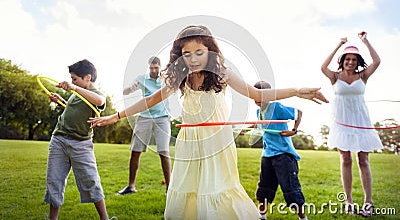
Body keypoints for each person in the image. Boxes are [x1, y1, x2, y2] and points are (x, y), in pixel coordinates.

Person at [89, 25, 328, 220]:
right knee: (189, 191)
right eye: (186, 54)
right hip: (190, 142)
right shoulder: (180, 77)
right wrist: (116, 115)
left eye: (199, 52)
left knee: (214, 190)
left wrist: (297, 90)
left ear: (210, 51)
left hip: (217, 142)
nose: (193, 59)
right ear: (179, 56)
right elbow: (152, 98)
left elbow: (258, 95)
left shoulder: (221, 73)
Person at [321, 32, 383, 217]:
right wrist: (339, 44)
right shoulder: (334, 77)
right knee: (345, 160)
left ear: (358, 62)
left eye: (354, 59)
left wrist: (365, 41)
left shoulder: (363, 76)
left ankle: (368, 203)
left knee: (363, 160)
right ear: (342, 61)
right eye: (347, 59)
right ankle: (349, 202)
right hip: (342, 124)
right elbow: (323, 66)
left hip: (361, 122)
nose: (350, 62)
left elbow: (377, 61)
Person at [43, 59, 114, 220]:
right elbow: (73, 108)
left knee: (91, 180)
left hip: (81, 144)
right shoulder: (76, 94)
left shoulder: (97, 94)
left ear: (87, 77)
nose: (72, 82)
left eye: (75, 79)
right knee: (54, 180)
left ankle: (105, 218)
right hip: (59, 139)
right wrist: (60, 101)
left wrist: (74, 88)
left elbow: (99, 102)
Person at [252, 81, 307, 220]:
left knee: (291, 189)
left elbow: (298, 112)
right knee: (264, 188)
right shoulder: (258, 112)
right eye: (254, 95)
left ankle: (303, 218)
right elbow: (259, 125)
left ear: (269, 96)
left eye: (260, 95)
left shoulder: (276, 107)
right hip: (267, 155)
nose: (256, 99)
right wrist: (246, 128)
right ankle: (262, 216)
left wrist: (293, 131)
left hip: (283, 155)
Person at [117, 56, 171, 195]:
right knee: (135, 152)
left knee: (164, 152)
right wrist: (131, 88)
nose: (154, 70)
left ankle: (169, 189)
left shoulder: (166, 79)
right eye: (151, 67)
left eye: (156, 67)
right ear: (148, 67)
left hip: (162, 118)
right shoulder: (141, 79)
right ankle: (130, 186)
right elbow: (125, 92)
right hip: (144, 117)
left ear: (160, 66)